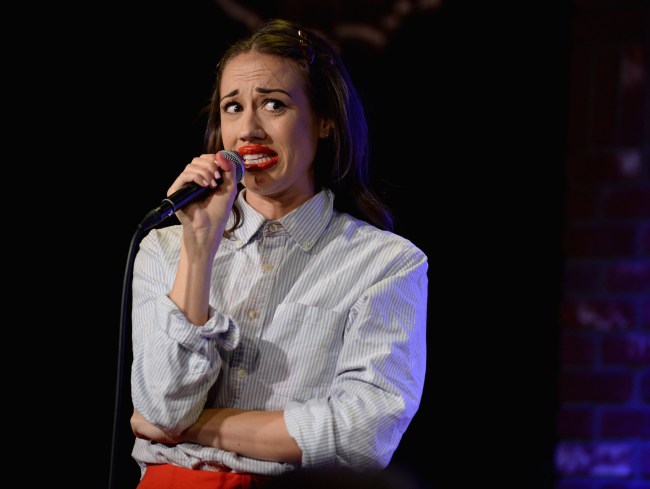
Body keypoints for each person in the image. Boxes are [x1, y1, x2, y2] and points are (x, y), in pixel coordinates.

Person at [128, 18, 428, 488]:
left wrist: (196, 425)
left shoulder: (386, 263)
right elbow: (164, 404)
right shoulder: (164, 248)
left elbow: (361, 436)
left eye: (274, 104)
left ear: (326, 120)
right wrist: (199, 248)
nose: (249, 129)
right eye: (233, 107)